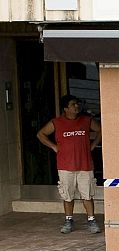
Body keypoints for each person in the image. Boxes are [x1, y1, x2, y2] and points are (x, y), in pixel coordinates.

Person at [37, 95, 102, 234]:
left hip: (85, 165)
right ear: (66, 108)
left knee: (88, 195)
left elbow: (101, 130)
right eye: (73, 104)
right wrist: (54, 147)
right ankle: (68, 220)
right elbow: (41, 134)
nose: (76, 107)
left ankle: (91, 220)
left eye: (77, 104)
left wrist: (93, 145)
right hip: (65, 165)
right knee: (67, 195)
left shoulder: (86, 120)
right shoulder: (56, 122)